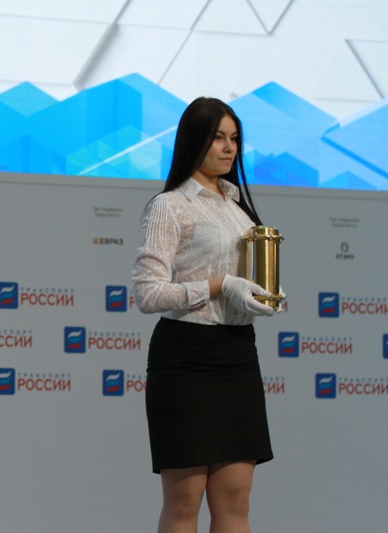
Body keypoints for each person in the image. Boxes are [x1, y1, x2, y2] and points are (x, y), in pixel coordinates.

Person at [132, 97, 280, 533]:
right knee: (184, 500)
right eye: (217, 137)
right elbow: (148, 293)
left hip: (237, 354)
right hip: (186, 357)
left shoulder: (237, 206)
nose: (229, 147)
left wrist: (260, 296)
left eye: (234, 139)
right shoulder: (169, 205)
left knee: (236, 499)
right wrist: (217, 286)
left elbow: (243, 279)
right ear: (194, 140)